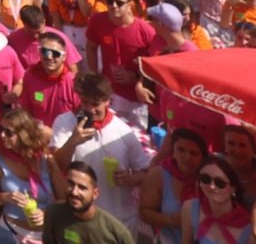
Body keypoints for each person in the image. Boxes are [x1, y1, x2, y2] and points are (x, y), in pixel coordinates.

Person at [50, 73, 149, 230]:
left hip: (118, 220)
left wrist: (130, 179)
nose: (90, 109)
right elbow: (57, 167)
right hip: (78, 218)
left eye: (96, 104)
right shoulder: (64, 122)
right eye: (85, 102)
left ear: (108, 101)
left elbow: (145, 174)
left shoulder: (123, 130)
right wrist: (73, 141)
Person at [0, 107, 55, 244]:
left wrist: (45, 214)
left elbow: (63, 198)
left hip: (45, 235)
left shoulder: (44, 158)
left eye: (8, 132)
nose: (2, 135)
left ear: (23, 134)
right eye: (0, 130)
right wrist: (5, 197)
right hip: (11, 231)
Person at [139, 126, 208, 244]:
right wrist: (172, 220)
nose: (187, 157)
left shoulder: (212, 178)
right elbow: (144, 213)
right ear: (173, 151)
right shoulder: (158, 175)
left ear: (203, 157)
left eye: (193, 153)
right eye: (181, 150)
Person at [180, 155, 256, 244]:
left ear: (233, 188)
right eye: (205, 179)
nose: (212, 186)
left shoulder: (248, 229)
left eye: (220, 183)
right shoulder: (190, 208)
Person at [44, 161, 135, 244]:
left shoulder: (116, 232)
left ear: (95, 194)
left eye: (82, 188)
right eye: (70, 184)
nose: (74, 192)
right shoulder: (54, 214)